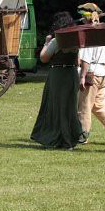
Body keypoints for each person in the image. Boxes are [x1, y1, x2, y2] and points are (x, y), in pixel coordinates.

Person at [30, 11, 84, 149]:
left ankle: (55, 138)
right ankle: (69, 139)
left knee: (55, 106)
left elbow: (43, 58)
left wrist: (46, 43)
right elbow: (78, 61)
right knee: (69, 107)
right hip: (72, 74)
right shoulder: (76, 40)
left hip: (58, 75)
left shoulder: (57, 40)